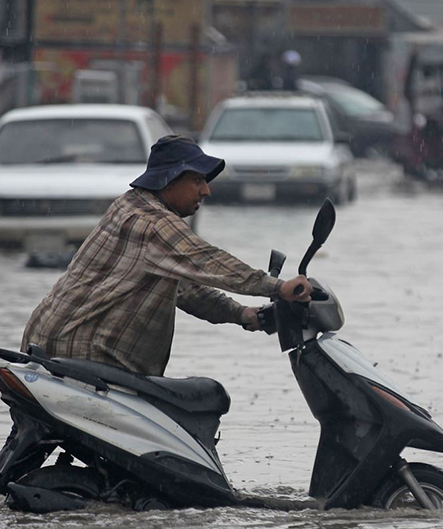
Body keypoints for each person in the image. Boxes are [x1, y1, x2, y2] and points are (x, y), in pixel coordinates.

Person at [20, 135, 312, 377]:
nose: (206, 190)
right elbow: (206, 260)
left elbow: (186, 289)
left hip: (49, 343)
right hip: (80, 353)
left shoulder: (131, 206)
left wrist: (242, 314)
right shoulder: (154, 222)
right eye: (197, 180)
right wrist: (277, 287)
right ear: (169, 180)